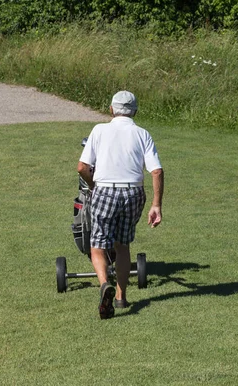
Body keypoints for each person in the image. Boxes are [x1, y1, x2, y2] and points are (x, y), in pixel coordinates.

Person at [77, 90, 164, 319]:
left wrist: (94, 185)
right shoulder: (142, 134)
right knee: (122, 245)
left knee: (97, 244)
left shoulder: (99, 130)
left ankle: (104, 283)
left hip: (105, 190)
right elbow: (156, 171)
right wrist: (156, 205)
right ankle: (120, 297)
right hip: (133, 193)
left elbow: (82, 167)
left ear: (111, 110)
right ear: (134, 111)